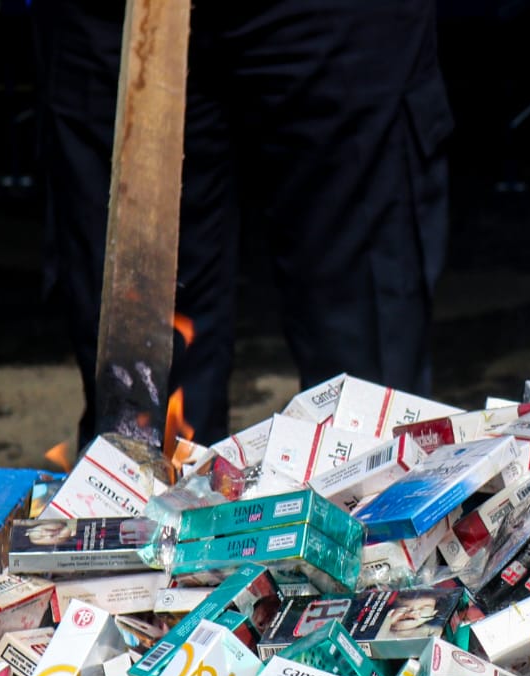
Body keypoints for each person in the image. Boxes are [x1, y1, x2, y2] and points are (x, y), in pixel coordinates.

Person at [33, 0, 453, 448]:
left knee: (366, 393)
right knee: (139, 409)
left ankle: (372, 510)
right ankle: (148, 508)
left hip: (338, 18)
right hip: (120, 18)